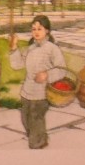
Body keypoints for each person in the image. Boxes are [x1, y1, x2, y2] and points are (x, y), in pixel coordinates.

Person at [14, 14, 67, 149]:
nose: (36, 32)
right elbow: (17, 65)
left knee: (36, 119)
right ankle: (40, 139)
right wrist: (14, 48)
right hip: (27, 92)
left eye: (39, 29)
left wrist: (47, 75)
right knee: (25, 119)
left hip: (42, 93)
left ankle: (38, 144)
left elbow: (62, 70)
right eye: (34, 29)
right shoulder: (30, 48)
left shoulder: (52, 49)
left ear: (47, 30)